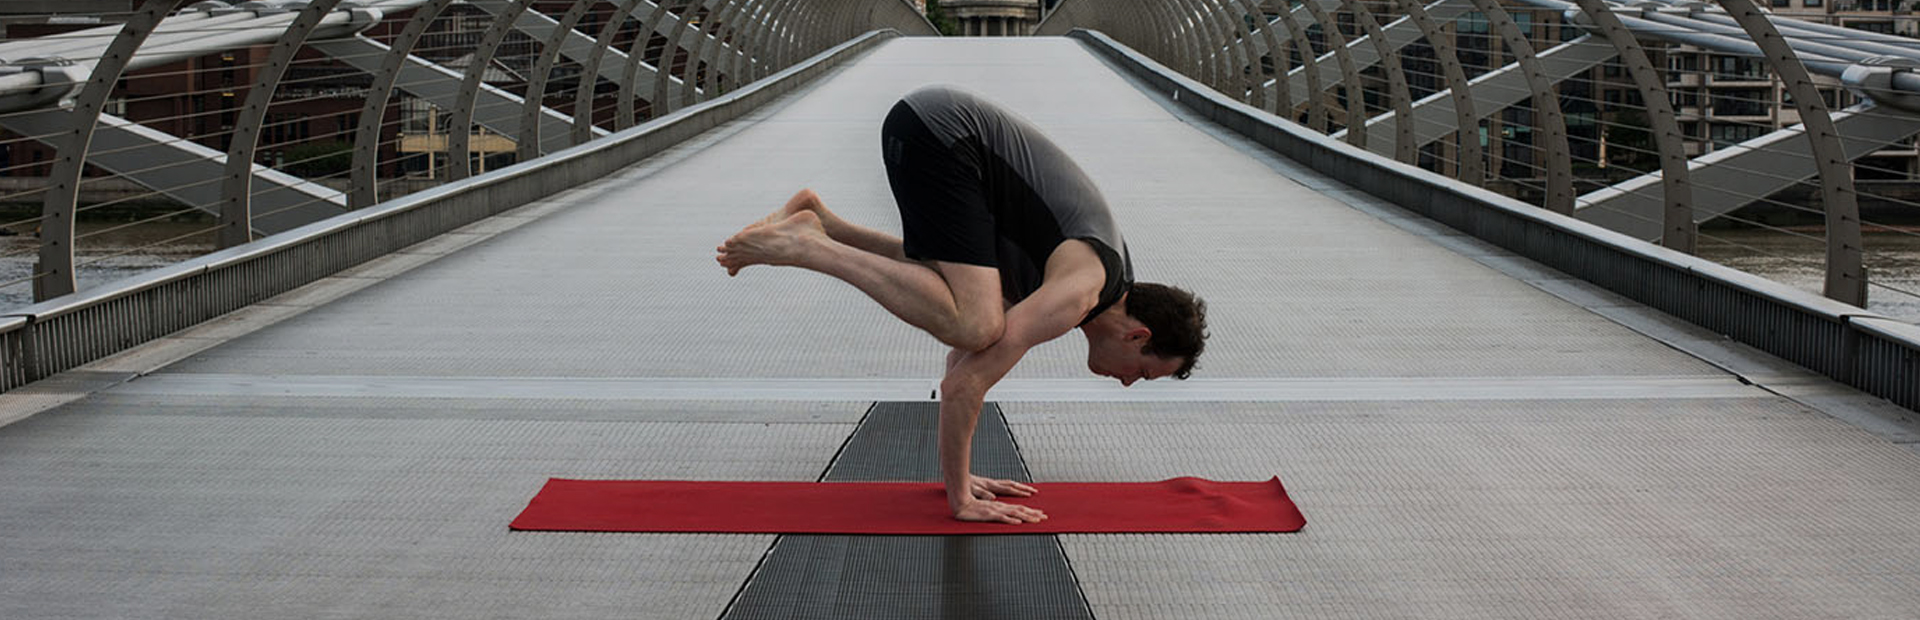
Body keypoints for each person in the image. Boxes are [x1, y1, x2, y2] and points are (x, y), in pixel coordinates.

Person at [716, 85, 1208, 525]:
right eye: (1142, 373)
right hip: (944, 135)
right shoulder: (1080, 291)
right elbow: (964, 381)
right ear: (1137, 335)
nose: (1126, 383)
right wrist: (961, 500)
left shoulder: (1089, 284)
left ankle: (821, 221)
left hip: (935, 127)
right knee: (974, 321)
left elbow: (962, 365)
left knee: (966, 309)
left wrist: (963, 473)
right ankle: (809, 245)